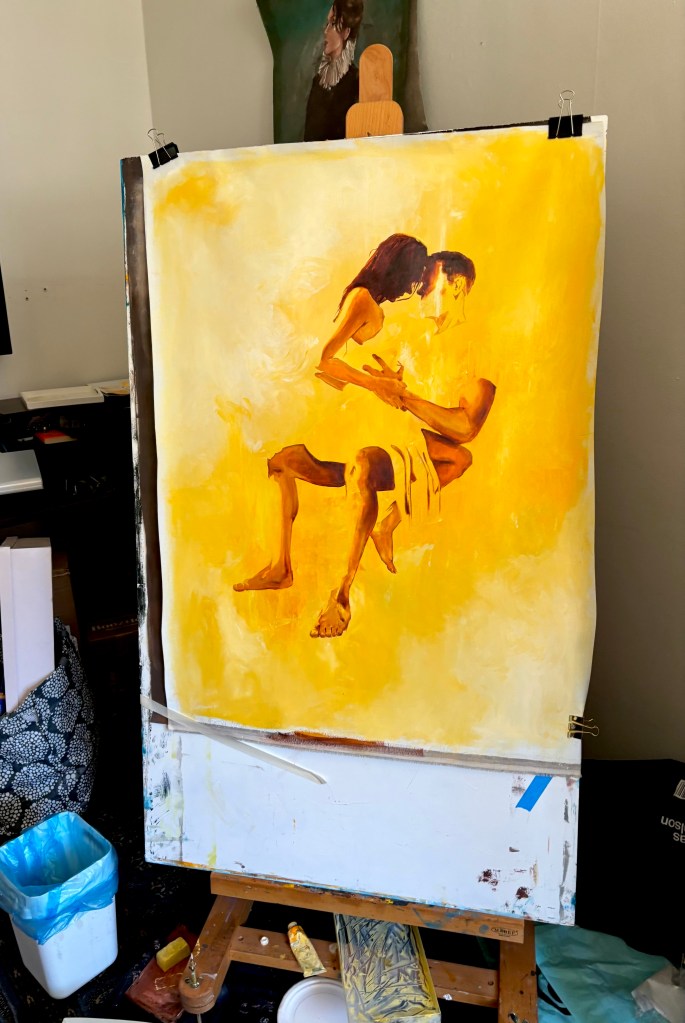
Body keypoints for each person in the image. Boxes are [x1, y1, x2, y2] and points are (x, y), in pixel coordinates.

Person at [234, 243, 496, 641]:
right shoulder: (385, 313)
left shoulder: (471, 343)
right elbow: (330, 363)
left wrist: (399, 392)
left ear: (456, 285)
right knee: (286, 461)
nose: (418, 289)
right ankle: (287, 566)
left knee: (445, 459)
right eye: (417, 278)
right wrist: (384, 386)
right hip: (358, 416)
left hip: (387, 426)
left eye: (428, 281)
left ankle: (339, 587)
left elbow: (463, 426)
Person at [304, 2, 364, 142]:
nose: (325, 31)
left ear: (346, 32)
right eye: (327, 24)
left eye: (332, 23)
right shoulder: (318, 82)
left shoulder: (357, 82)